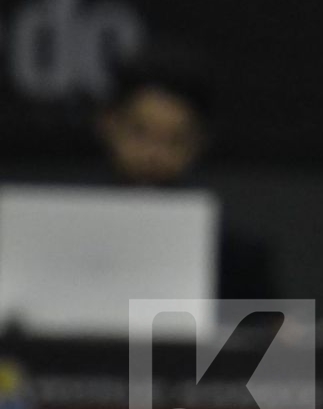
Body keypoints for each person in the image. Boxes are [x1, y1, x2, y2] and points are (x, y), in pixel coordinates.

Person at [96, 42, 276, 300]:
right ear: (108, 125)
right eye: (140, 133)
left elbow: (275, 336)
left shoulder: (236, 260)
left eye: (175, 139)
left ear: (200, 143)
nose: (153, 155)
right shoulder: (57, 242)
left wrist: (283, 335)